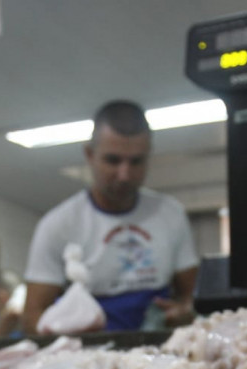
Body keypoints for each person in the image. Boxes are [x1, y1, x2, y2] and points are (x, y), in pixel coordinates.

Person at [21, 100, 199, 335]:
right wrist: (63, 328)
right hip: (87, 357)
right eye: (113, 160)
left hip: (158, 353)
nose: (124, 175)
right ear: (89, 155)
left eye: (136, 161)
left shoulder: (171, 214)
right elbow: (32, 316)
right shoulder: (58, 225)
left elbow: (187, 297)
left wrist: (182, 312)